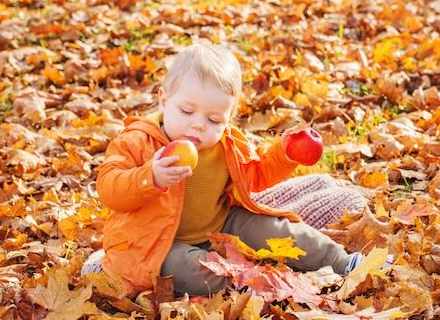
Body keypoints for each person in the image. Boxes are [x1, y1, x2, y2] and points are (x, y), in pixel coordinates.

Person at [90, 42, 367, 298]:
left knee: (278, 231)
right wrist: (149, 176)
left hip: (220, 225)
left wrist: (284, 154)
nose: (198, 125)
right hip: (156, 244)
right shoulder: (138, 141)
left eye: (213, 119)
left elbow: (256, 173)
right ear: (164, 101)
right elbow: (109, 188)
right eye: (186, 111)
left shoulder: (226, 145)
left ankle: (342, 262)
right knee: (190, 271)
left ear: (228, 118)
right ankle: (256, 287)